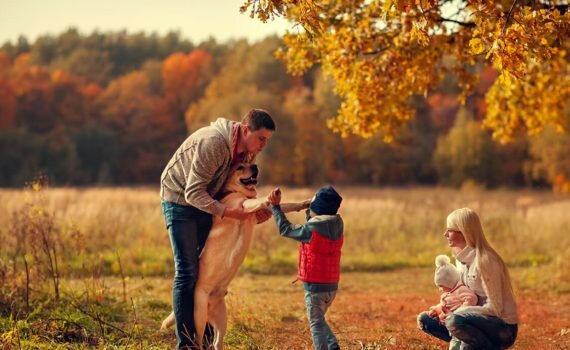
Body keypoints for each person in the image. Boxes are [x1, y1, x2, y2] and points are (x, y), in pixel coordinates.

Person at [160, 108, 275, 349]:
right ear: (245, 130)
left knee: (205, 273)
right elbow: (192, 192)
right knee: (187, 270)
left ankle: (207, 340)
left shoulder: (247, 153)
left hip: (206, 200)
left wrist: (252, 214)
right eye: (261, 138)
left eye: (267, 140)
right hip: (179, 200)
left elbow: (229, 189)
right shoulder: (214, 144)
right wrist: (227, 212)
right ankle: (188, 344)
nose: (263, 145)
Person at [417, 208, 518, 350]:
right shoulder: (460, 260)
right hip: (470, 320)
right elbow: (461, 294)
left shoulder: (486, 261)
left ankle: (484, 346)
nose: (445, 234)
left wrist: (456, 314)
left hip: (502, 328)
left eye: (450, 230)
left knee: (454, 321)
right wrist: (443, 309)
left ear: (464, 232)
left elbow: (495, 308)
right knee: (425, 320)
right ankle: (464, 340)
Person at [268, 186, 344, 350]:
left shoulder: (310, 231)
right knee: (319, 320)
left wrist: (275, 207)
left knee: (316, 325)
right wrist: (309, 209)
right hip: (331, 286)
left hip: (315, 287)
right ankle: (333, 346)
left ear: (317, 211)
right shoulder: (337, 226)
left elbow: (285, 229)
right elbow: (315, 221)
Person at [427, 254, 477, 325]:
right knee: (425, 318)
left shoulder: (460, 290)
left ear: (449, 283)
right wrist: (437, 309)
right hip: (447, 320)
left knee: (453, 321)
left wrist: (457, 313)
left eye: (441, 286)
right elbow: (443, 305)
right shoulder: (447, 293)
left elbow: (472, 298)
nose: (440, 289)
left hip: (458, 321)